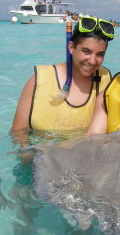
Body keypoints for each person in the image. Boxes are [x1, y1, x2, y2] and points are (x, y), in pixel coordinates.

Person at [12, 16, 114, 147]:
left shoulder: (106, 80)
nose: (93, 61)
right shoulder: (39, 80)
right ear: (71, 47)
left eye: (100, 54)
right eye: (86, 51)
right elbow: (18, 132)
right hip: (41, 158)